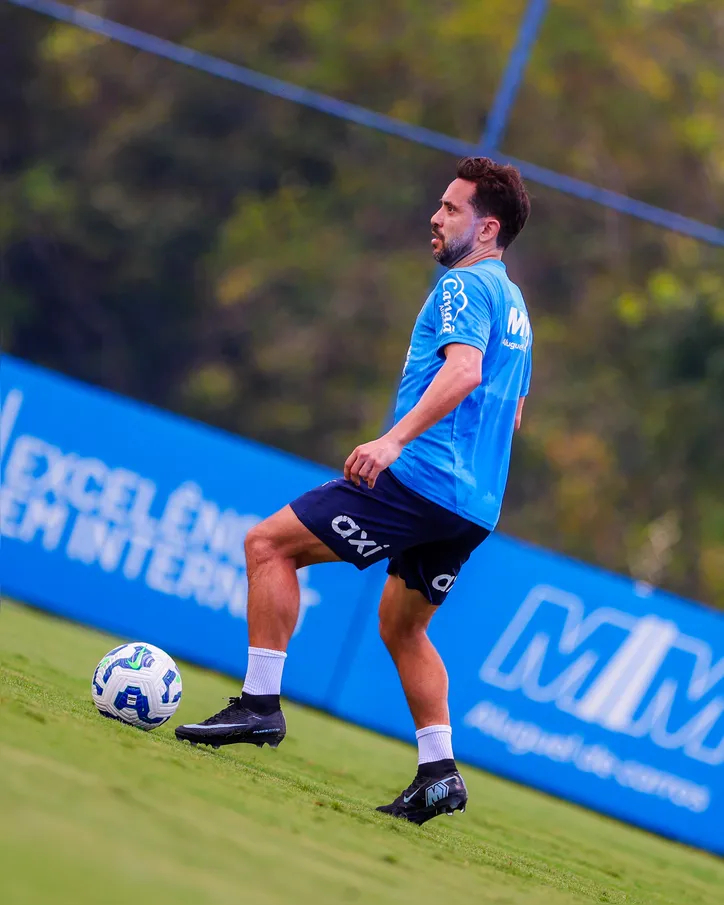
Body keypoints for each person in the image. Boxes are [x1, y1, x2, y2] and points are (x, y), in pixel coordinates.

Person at [176, 156, 533, 825]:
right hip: (474, 507)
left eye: (451, 209)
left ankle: (259, 705)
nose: (435, 216)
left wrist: (394, 441)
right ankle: (439, 772)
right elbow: (513, 405)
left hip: (422, 481)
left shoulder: (463, 287)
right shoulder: (515, 306)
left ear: (487, 229)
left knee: (267, 545)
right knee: (403, 626)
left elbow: (463, 373)